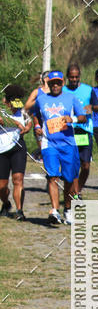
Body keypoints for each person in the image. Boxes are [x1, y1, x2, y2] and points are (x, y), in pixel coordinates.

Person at [33, 70, 86, 225]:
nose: (55, 85)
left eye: (58, 82)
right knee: (53, 176)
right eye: (52, 83)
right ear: (48, 84)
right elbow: (35, 114)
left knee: (69, 179)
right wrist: (37, 125)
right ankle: (54, 211)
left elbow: (83, 117)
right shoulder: (41, 99)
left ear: (62, 83)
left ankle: (68, 209)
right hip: (49, 144)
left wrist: (73, 118)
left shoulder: (71, 98)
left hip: (68, 144)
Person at [0, 85, 31, 221]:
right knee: (2, 186)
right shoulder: (2, 111)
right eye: (13, 103)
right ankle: (6, 204)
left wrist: (27, 128)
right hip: (2, 150)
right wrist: (18, 125)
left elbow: (29, 121)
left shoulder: (22, 111)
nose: (15, 107)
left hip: (18, 148)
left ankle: (19, 211)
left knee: (18, 179)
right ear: (5, 101)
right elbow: (2, 120)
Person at [65, 63, 93, 192]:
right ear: (67, 77)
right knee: (72, 164)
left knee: (85, 166)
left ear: (79, 76)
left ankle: (78, 189)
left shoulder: (88, 90)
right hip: (69, 132)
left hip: (84, 131)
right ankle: (75, 192)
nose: (74, 80)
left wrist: (92, 107)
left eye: (76, 77)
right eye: (71, 77)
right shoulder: (63, 91)